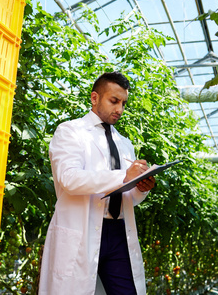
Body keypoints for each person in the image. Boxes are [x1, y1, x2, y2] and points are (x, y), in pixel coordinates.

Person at [39, 72, 156, 294]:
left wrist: (141, 187)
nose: (120, 109)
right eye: (114, 101)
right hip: (81, 230)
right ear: (94, 98)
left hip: (119, 232)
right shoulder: (70, 132)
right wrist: (124, 176)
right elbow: (70, 179)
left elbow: (126, 196)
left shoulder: (125, 143)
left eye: (123, 103)